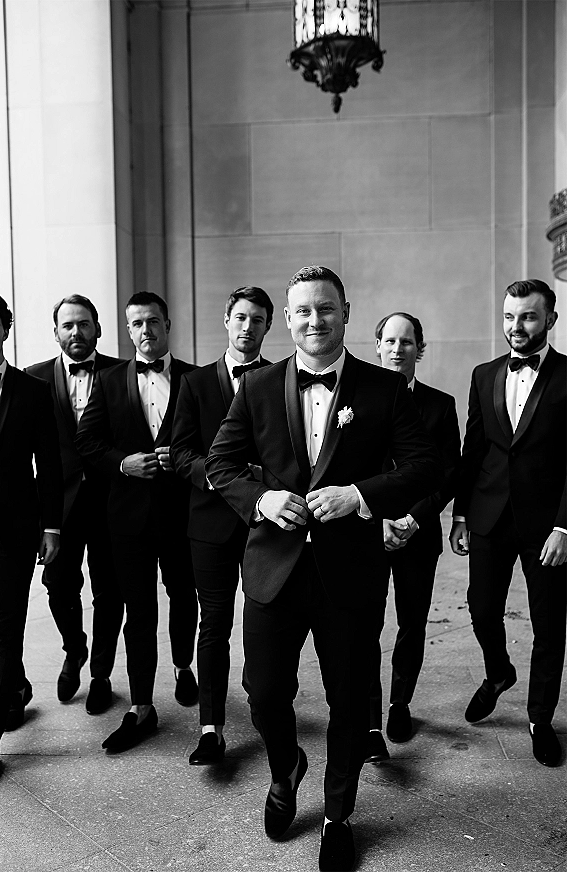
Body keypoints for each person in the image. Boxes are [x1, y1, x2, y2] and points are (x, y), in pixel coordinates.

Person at [205, 266, 442, 871]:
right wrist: (262, 500)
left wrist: (359, 495)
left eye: (326, 309)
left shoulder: (383, 388)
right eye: (304, 311)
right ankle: (286, 767)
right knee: (263, 694)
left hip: (351, 571)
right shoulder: (256, 387)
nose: (316, 321)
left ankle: (338, 814)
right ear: (288, 319)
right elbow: (220, 464)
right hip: (272, 568)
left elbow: (424, 466)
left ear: (346, 314)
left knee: (348, 700)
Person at [450, 279, 566, 768]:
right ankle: (498, 673)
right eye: (509, 316)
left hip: (547, 526)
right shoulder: (484, 374)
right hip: (489, 515)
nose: (515, 326)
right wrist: (460, 513)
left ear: (550, 320)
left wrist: (565, 528)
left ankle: (540, 718)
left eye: (528, 317)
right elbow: (473, 449)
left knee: (548, 625)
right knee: (481, 609)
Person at [75, 292, 198, 752]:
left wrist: (183, 460)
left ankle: (183, 666)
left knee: (184, 597)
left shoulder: (194, 379)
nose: (146, 331)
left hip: (183, 516)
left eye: (153, 322)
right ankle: (142, 705)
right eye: (137, 324)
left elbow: (213, 445)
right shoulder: (109, 381)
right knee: (139, 611)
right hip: (127, 520)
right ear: (128, 330)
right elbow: (87, 441)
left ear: (167, 324)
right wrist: (123, 463)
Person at [171, 286, 273, 765]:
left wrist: (261, 479)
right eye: (241, 317)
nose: (248, 327)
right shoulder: (193, 383)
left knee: (262, 622)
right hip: (209, 524)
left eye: (257, 319)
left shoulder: (279, 379)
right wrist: (223, 478)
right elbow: (181, 454)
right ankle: (211, 728)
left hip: (264, 524)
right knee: (213, 623)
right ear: (227, 321)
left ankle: (264, 706)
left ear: (268, 326)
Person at [366, 312, 460, 763]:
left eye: (407, 341)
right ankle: (369, 720)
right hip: (366, 529)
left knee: (412, 621)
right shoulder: (356, 398)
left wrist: (411, 518)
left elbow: (447, 474)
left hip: (417, 531)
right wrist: (378, 519)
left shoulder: (440, 406)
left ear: (419, 349)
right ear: (377, 346)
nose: (397, 349)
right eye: (390, 340)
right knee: (363, 624)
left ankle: (399, 704)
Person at [26, 296, 123, 715]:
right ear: (56, 333)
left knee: (109, 590)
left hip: (110, 500)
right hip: (58, 504)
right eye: (67, 325)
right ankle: (74, 648)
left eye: (84, 324)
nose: (76, 332)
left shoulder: (122, 373)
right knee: (58, 584)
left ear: (97, 328)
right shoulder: (33, 378)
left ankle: (101, 675)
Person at [0, 292, 63, 790]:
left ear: (5, 331)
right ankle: (14, 683)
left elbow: (49, 465)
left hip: (12, 533)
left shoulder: (32, 391)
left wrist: (51, 527)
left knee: (4, 629)